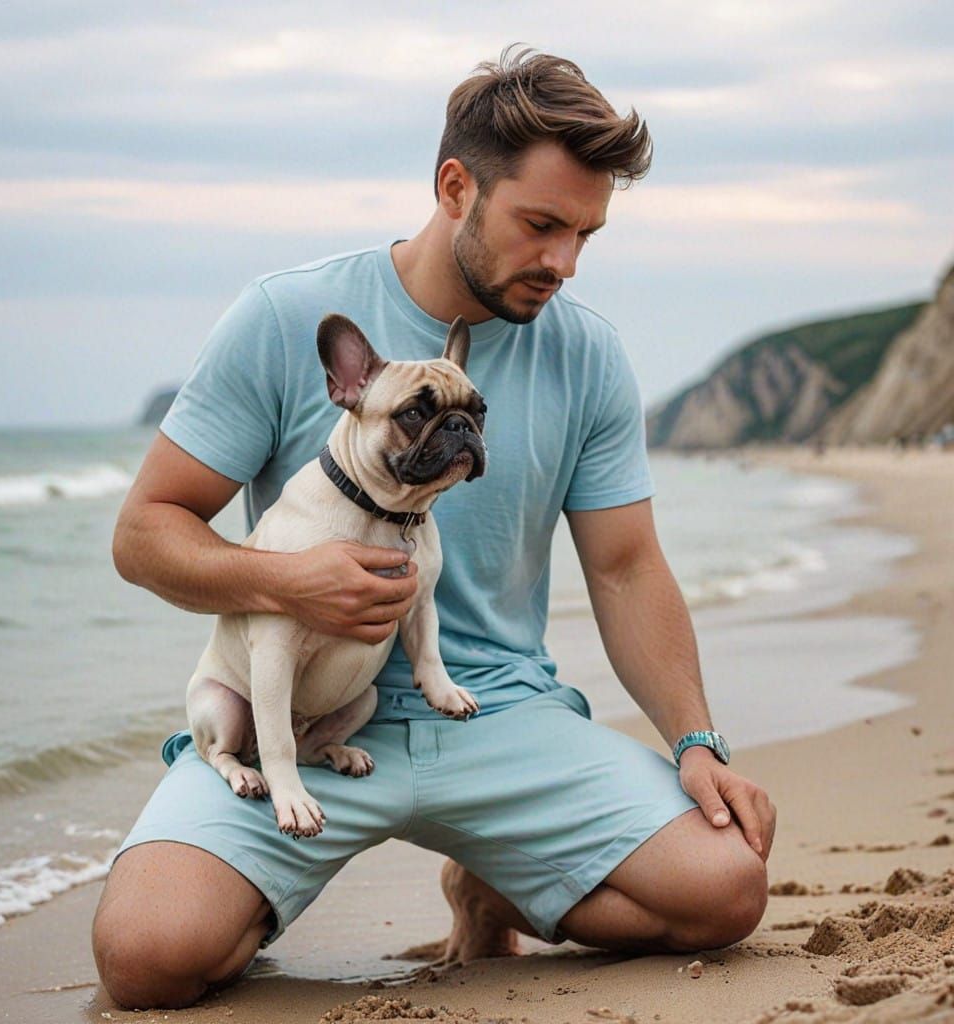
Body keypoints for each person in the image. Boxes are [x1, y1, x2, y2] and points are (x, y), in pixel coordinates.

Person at [93, 47, 776, 1010]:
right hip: (297, 722)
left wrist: (696, 741)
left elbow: (626, 570)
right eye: (541, 224)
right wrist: (286, 583)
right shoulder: (283, 315)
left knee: (726, 890)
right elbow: (143, 532)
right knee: (149, 959)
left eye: (587, 233)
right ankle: (251, 891)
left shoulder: (586, 353)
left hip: (499, 712)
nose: (563, 263)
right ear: (456, 186)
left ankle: (491, 874)